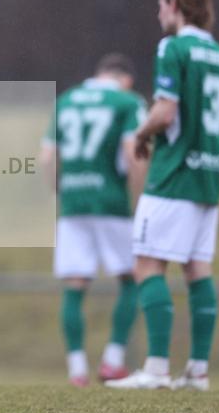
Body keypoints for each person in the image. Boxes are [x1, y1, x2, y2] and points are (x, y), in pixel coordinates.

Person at [106, 0, 219, 391]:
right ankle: (198, 371)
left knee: (147, 263)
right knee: (198, 267)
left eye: (162, 2)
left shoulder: (173, 47)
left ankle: (157, 368)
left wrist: (142, 135)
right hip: (210, 174)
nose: (158, 10)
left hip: (174, 174)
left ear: (176, 5)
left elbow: (165, 113)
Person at [40, 53, 148, 387]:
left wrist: (59, 191)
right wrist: (138, 198)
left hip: (73, 203)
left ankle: (76, 369)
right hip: (111, 201)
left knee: (75, 285)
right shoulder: (128, 101)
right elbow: (134, 152)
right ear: (125, 79)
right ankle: (113, 361)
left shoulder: (67, 100)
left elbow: (46, 156)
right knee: (131, 277)